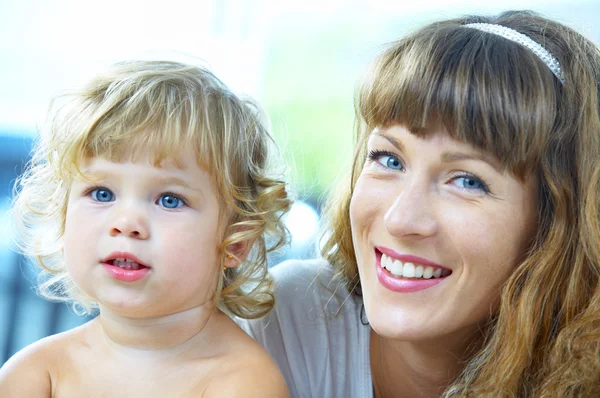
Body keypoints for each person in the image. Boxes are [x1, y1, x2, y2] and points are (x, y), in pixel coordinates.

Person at [237, 10, 600, 397]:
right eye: (389, 159)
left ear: (560, 224)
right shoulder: (285, 323)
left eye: (467, 181)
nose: (400, 220)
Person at [0, 60, 292, 397]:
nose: (126, 223)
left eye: (169, 200)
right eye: (101, 193)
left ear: (235, 242)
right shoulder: (36, 375)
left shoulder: (243, 384)